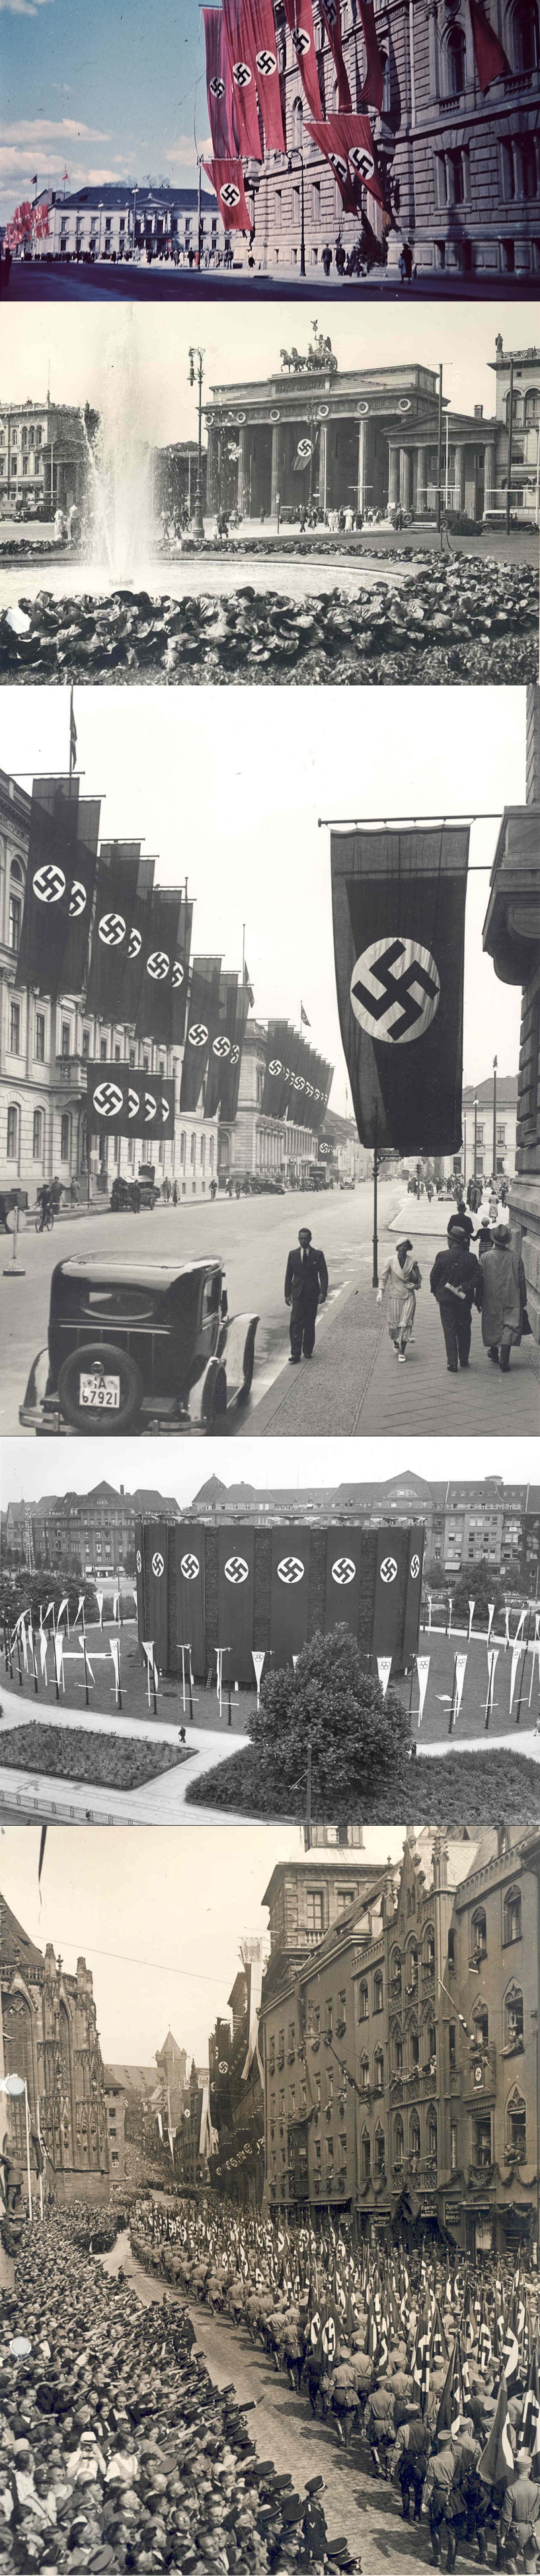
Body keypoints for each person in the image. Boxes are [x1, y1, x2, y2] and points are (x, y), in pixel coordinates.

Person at [430, 1222, 483, 1374]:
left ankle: (452, 1363)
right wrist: (465, 1287)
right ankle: (464, 1359)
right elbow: (478, 1278)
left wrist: (436, 1293)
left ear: (451, 1241)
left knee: (449, 1330)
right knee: (465, 1329)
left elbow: (434, 1277)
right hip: (464, 1300)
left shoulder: (442, 1256)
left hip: (446, 1300)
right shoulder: (471, 1258)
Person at [479, 1224, 527, 1373]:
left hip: (491, 1297)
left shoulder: (485, 1257)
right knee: (509, 1327)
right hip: (512, 1296)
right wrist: (523, 1299)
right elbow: (521, 1281)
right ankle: (504, 1360)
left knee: (493, 1323)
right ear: (507, 1241)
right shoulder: (515, 1258)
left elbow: (480, 1281)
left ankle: (494, 1351)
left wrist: (478, 1299)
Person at [284, 1226, 328, 1362]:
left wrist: (323, 1292)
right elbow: (288, 1275)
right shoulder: (293, 1254)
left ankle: (308, 1351)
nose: (303, 1241)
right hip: (297, 1294)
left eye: (306, 1239)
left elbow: (324, 1275)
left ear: (310, 1239)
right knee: (296, 1323)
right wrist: (287, 1294)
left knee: (309, 1323)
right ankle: (295, 1353)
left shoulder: (318, 1255)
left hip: (312, 1294)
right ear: (298, 1239)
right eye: (301, 1239)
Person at [377, 1237, 421, 1363]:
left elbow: (419, 1279)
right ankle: (396, 1342)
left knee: (406, 1322)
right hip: (395, 1295)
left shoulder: (412, 1261)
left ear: (408, 1248)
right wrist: (380, 1291)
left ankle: (402, 1351)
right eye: (401, 1246)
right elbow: (384, 1277)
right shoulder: (390, 1261)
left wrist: (415, 1286)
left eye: (406, 1246)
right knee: (395, 1324)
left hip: (409, 1295)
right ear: (397, 1248)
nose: (403, 1248)